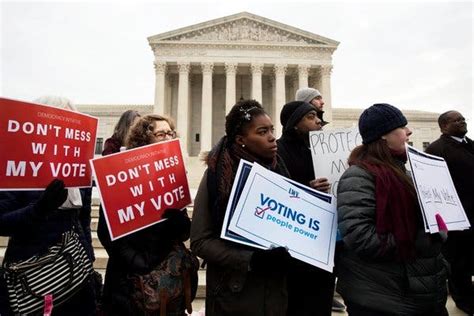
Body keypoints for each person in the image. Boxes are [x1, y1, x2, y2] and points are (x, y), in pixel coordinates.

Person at [336, 103, 449, 315]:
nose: (409, 132)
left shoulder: (404, 172)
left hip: (419, 288)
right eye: (402, 127)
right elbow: (360, 237)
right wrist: (420, 239)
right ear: (383, 137)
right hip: (383, 297)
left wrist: (440, 227)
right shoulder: (358, 176)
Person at [190, 99, 292, 316]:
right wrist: (250, 259)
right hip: (234, 294)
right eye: (262, 131)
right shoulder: (217, 177)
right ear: (241, 140)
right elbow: (200, 241)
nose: (272, 137)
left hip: (274, 294)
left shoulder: (280, 171)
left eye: (272, 130)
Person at [0, 96, 96, 315]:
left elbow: (83, 220)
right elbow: (2, 221)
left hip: (75, 273)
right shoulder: (18, 166)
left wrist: (88, 258)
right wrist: (39, 209)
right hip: (32, 276)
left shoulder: (79, 168)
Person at [97, 114, 194, 316]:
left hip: (166, 286)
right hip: (129, 288)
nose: (168, 138)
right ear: (144, 138)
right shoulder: (121, 174)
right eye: (161, 134)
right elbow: (106, 233)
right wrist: (138, 263)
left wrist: (180, 223)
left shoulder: (173, 177)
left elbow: (184, 234)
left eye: (170, 133)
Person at [277, 101, 334, 315]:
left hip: (323, 243)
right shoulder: (278, 151)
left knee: (321, 302)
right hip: (295, 247)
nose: (319, 120)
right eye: (310, 117)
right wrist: (307, 188)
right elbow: (277, 194)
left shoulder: (321, 151)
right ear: (294, 123)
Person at [425, 110, 474, 314]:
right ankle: (463, 299)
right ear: (444, 126)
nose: (462, 122)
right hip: (456, 215)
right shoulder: (437, 149)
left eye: (463, 119)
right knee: (459, 260)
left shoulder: (470, 144)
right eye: (456, 120)